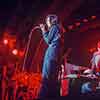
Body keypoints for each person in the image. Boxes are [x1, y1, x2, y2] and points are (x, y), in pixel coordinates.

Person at [38, 14, 63, 98]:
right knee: (52, 79)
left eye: (47, 21)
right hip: (56, 55)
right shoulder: (58, 29)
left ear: (51, 21)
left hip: (51, 54)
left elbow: (48, 40)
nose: (46, 23)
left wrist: (43, 30)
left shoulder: (54, 27)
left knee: (46, 78)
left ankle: (43, 97)